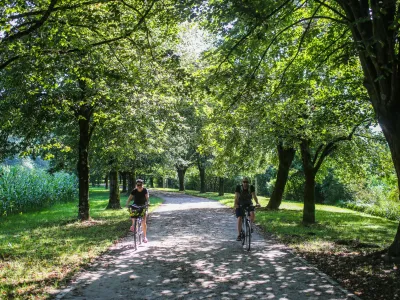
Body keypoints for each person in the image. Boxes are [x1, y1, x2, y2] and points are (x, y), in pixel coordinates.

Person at [234, 177, 260, 241]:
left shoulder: (251, 187)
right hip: (240, 204)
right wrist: (235, 204)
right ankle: (239, 235)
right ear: (242, 183)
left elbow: (254, 196)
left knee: (252, 214)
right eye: (244, 182)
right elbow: (236, 196)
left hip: (248, 203)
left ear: (248, 183)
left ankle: (250, 226)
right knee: (240, 217)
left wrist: (257, 203)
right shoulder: (238, 187)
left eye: (246, 182)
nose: (245, 183)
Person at [125, 179, 150, 243]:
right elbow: (130, 198)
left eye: (140, 185)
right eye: (138, 185)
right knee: (132, 212)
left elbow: (147, 198)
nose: (139, 186)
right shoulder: (134, 190)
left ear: (142, 185)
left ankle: (144, 237)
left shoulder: (145, 190)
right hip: (136, 205)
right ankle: (133, 225)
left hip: (143, 205)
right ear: (136, 185)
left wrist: (148, 203)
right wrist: (127, 203)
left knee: (143, 222)